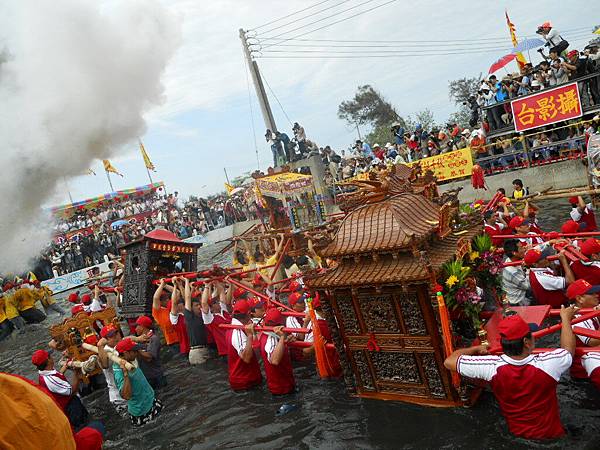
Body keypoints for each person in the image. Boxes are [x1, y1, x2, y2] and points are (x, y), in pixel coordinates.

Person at [444, 307, 577, 440]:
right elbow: (568, 350)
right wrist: (566, 319)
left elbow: (449, 361)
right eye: (531, 335)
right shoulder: (549, 363)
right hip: (553, 435)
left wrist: (476, 348)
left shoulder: (491, 367)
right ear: (526, 342)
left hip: (517, 435)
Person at [32, 349, 89, 428]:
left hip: (68, 406)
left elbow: (58, 375)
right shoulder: (50, 380)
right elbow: (71, 392)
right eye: (50, 356)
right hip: (71, 409)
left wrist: (66, 365)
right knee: (84, 426)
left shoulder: (46, 372)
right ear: (48, 360)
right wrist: (77, 374)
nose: (52, 357)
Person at [113, 338, 163, 426]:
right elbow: (126, 395)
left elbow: (148, 357)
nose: (137, 353)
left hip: (151, 401)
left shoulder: (131, 358)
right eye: (134, 351)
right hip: (141, 411)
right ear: (126, 353)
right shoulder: (118, 370)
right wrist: (125, 374)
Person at [564, 279, 600, 387]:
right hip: (585, 374)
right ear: (579, 299)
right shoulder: (574, 318)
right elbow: (593, 341)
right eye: (591, 294)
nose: (597, 295)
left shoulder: (590, 309)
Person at [226, 299, 262, 391]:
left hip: (247, 379)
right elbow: (246, 358)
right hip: (244, 383)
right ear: (249, 313)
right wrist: (250, 336)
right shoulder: (237, 331)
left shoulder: (234, 327)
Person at [259, 308, 295, 395]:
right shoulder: (270, 339)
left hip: (284, 386)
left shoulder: (267, 334)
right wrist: (283, 338)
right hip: (281, 390)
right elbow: (275, 360)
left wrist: (285, 339)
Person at [97, 324, 128, 415]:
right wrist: (99, 346)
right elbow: (105, 365)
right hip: (119, 396)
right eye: (111, 336)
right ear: (105, 340)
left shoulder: (121, 345)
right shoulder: (105, 351)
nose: (115, 337)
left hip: (130, 390)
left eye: (116, 333)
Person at [181, 277, 209, 365]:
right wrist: (186, 281)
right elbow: (188, 298)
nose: (199, 307)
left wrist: (194, 288)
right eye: (196, 305)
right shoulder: (189, 318)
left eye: (199, 305)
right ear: (191, 308)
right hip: (196, 352)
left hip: (205, 349)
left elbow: (206, 300)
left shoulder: (201, 316)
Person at [134, 315, 167, 390]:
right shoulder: (141, 339)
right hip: (148, 376)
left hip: (156, 376)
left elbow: (149, 357)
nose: (135, 329)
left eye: (137, 327)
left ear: (142, 327)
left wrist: (136, 349)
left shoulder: (153, 339)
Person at [201, 282, 232, 357]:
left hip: (234, 348)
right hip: (225, 352)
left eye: (217, 302)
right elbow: (204, 303)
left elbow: (221, 291)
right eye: (215, 303)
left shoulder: (224, 311)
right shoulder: (210, 319)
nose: (219, 303)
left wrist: (215, 280)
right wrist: (207, 286)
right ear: (211, 307)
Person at [151, 279, 179, 350]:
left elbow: (177, 292)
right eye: (164, 299)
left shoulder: (170, 307)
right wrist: (161, 285)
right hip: (172, 342)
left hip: (181, 338)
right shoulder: (157, 311)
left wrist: (165, 285)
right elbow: (155, 298)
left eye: (167, 298)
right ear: (160, 301)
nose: (167, 300)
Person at [502, 239, 531, 306]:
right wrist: (528, 268)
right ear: (514, 253)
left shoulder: (510, 260)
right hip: (518, 302)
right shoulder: (512, 271)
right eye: (521, 248)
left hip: (521, 294)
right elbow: (528, 286)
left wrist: (549, 242)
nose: (524, 249)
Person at [168, 278, 190, 356]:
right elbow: (174, 302)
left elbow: (187, 298)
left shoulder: (188, 314)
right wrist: (174, 286)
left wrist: (180, 285)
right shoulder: (174, 319)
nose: (180, 304)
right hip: (186, 350)